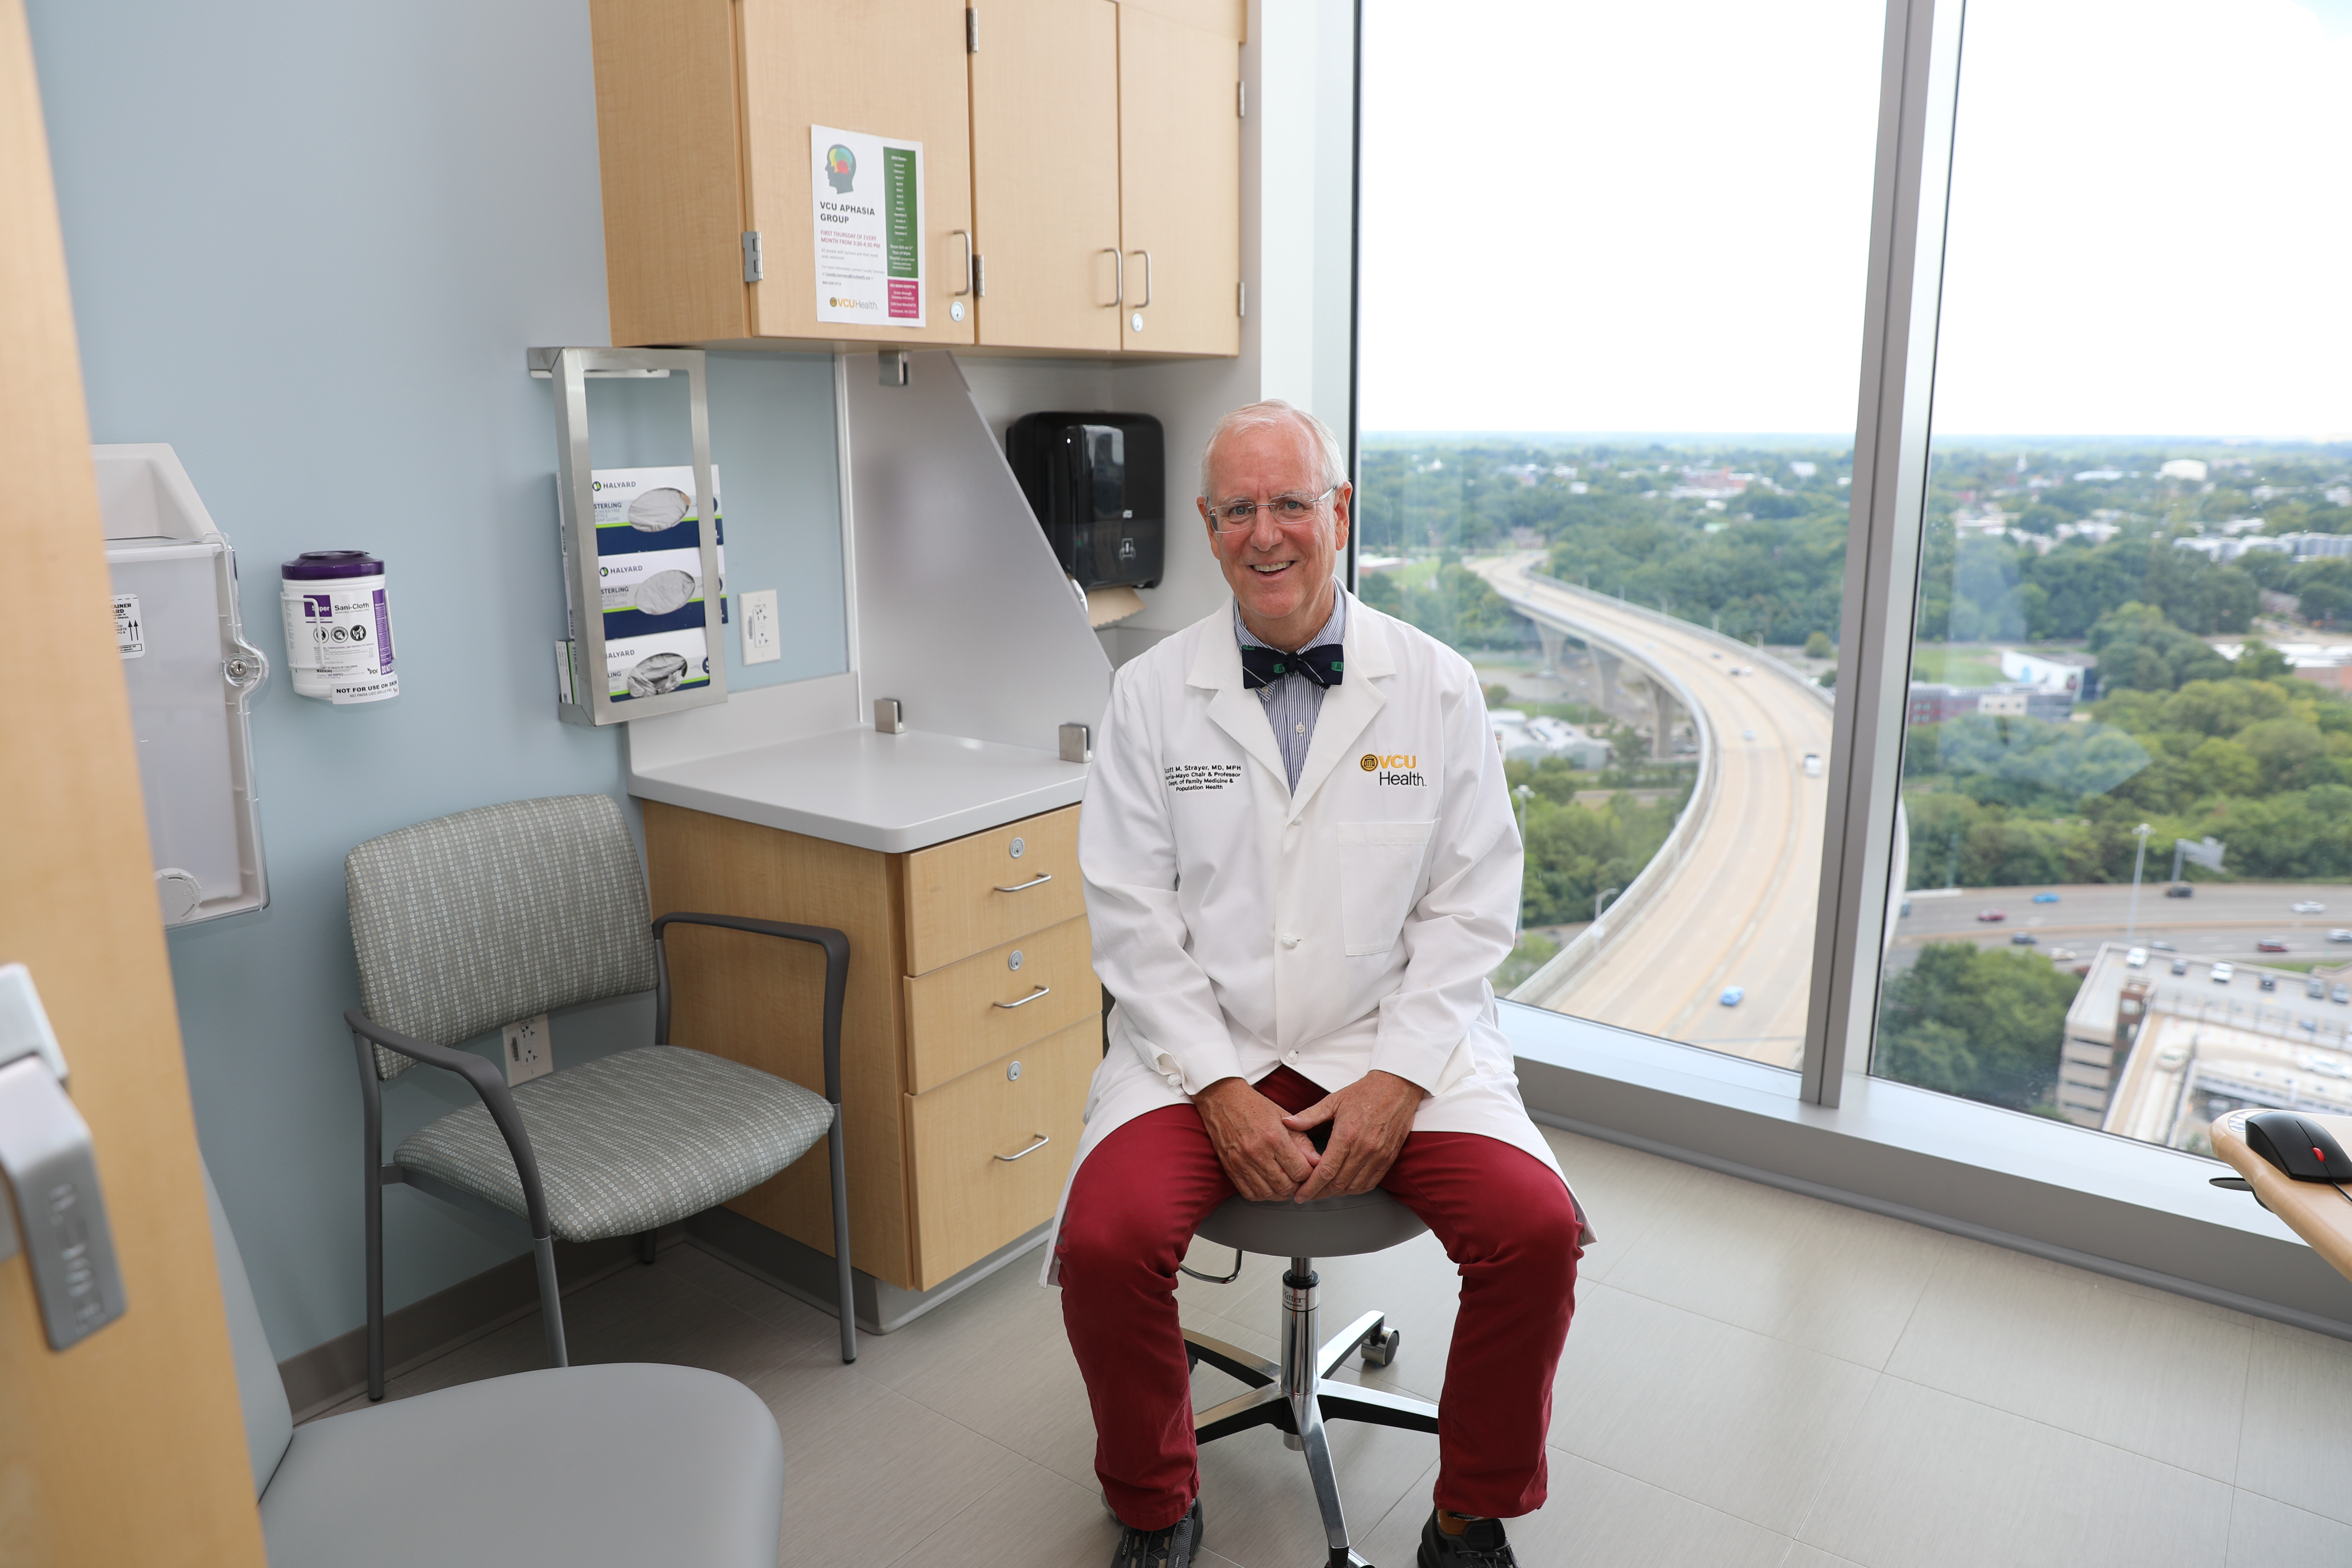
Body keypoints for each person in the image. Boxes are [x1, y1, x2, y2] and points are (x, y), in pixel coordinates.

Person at [1045, 400, 1589, 1568]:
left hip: (1394, 1042)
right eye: (1238, 509)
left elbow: (1472, 903)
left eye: (1292, 503)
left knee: (1535, 1231)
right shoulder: (1149, 697)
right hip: (1206, 1050)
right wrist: (1219, 1090)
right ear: (1207, 527)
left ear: (1339, 513)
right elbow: (1133, 920)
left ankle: (1466, 1516)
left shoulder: (1434, 688)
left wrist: (1399, 1079)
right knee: (1104, 1243)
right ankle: (1155, 1501)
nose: (1268, 532)